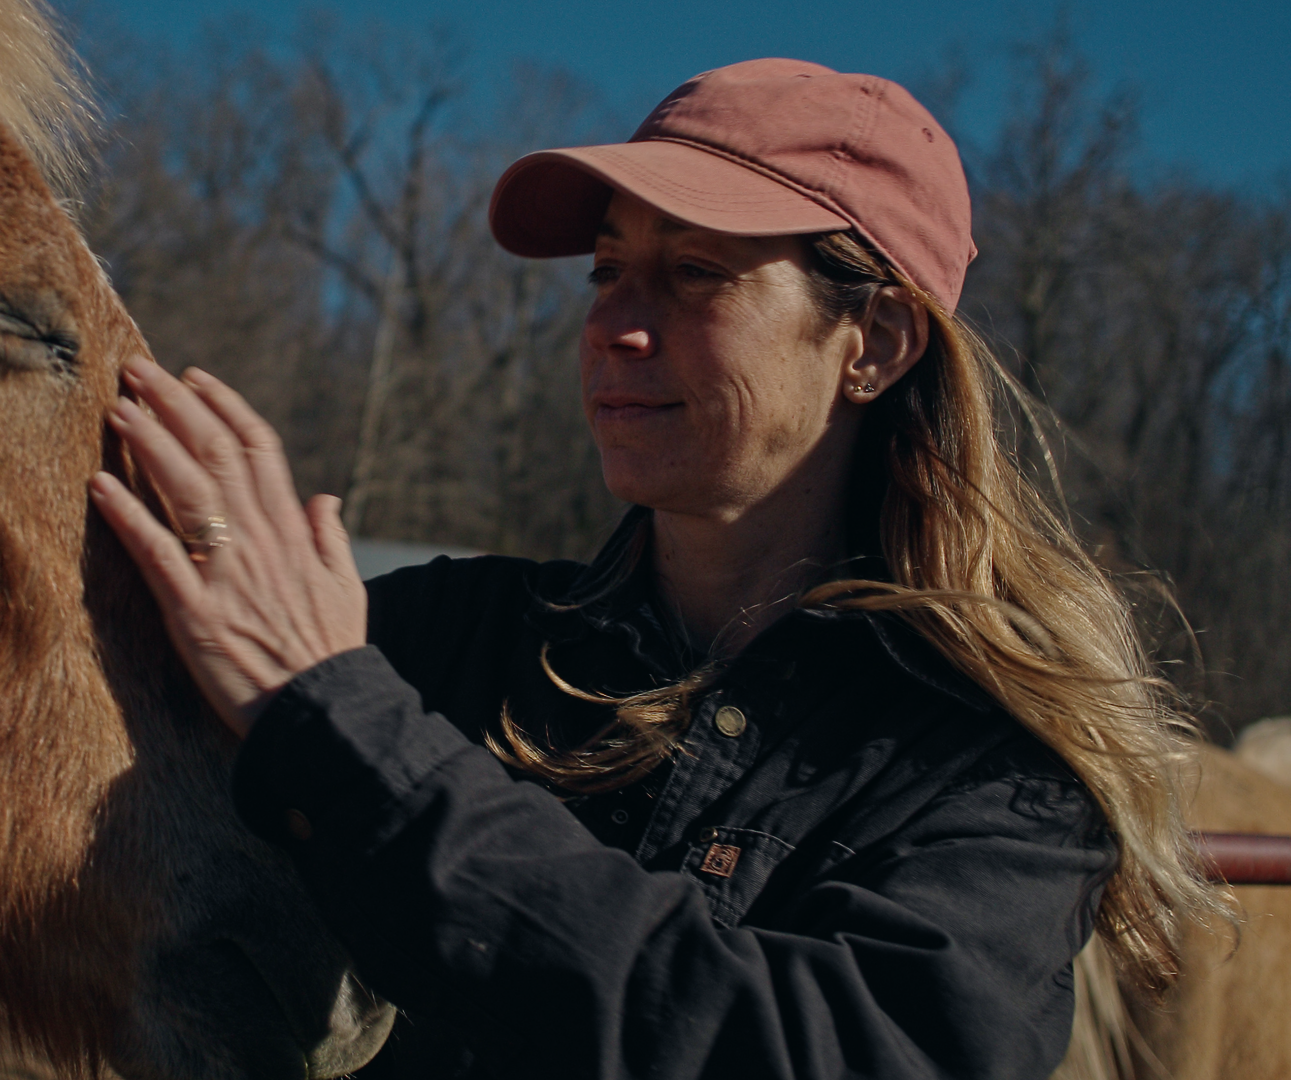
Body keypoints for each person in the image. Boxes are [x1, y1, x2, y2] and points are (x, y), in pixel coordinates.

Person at [87, 58, 1222, 1079]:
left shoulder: (997, 770)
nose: (614, 327)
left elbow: (825, 1048)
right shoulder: (456, 637)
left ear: (873, 342)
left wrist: (342, 732)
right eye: (607, 270)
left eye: (693, 273)